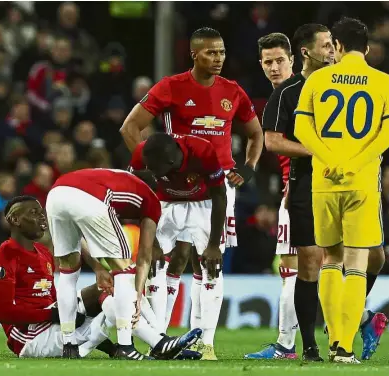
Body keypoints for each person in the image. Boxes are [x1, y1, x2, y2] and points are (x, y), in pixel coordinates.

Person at [120, 27, 263, 359]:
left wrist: (249, 167)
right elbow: (130, 127)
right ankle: (159, 338)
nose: (218, 59)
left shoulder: (233, 91)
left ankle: (206, 342)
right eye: (211, 53)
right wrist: (150, 166)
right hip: (172, 188)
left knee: (208, 262)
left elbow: (256, 134)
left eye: (222, 52)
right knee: (158, 259)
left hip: (216, 187)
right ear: (194, 54)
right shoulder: (171, 86)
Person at [0, 196, 203, 359]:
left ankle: (156, 343)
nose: (42, 218)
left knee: (115, 287)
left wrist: (108, 348)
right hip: (29, 338)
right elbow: (3, 313)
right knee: (111, 291)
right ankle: (160, 343)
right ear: (15, 219)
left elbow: (55, 303)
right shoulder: (5, 256)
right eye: (34, 213)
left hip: (53, 325)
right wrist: (55, 316)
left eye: (42, 212)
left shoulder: (44, 253)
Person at [294, 17, 389, 363]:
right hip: (361, 183)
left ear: (337, 45)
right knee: (357, 265)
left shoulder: (317, 79)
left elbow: (302, 127)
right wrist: (355, 162)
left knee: (330, 260)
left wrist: (329, 158)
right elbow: (385, 134)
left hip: (324, 181)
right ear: (366, 47)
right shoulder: (382, 82)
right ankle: (345, 349)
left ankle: (335, 341)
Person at [128, 133, 226, 359]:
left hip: (203, 203)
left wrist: (213, 244)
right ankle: (159, 339)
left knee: (212, 266)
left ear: (171, 163)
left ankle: (207, 344)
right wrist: (150, 243)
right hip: (163, 203)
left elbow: (220, 195)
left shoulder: (203, 152)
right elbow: (136, 194)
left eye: (155, 169)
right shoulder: (143, 153)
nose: (151, 172)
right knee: (154, 264)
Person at [45, 168, 161, 359]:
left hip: (56, 192)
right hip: (91, 199)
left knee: (68, 270)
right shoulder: (151, 198)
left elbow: (85, 227)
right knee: (124, 268)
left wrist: (99, 266)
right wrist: (137, 295)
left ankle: (69, 344)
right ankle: (125, 346)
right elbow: (145, 257)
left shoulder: (113, 177)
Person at [244, 33, 298, 360]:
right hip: (306, 187)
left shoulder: (292, 95)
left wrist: (294, 183)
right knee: (317, 267)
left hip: (301, 191)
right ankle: (360, 321)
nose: (274, 67)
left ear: (293, 59)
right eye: (268, 62)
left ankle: (285, 346)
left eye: (279, 60)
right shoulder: (285, 95)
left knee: (292, 268)